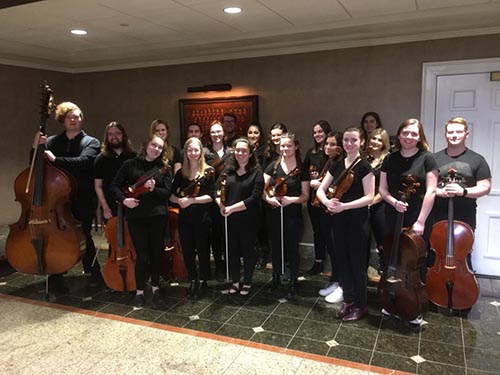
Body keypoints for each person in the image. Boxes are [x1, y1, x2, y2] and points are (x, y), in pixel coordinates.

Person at [32, 101, 101, 291]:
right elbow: (36, 164)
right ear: (63, 120)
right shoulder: (52, 141)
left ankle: (93, 271)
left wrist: (57, 159)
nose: (73, 119)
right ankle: (57, 272)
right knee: (57, 235)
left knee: (84, 234)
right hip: (57, 200)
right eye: (69, 116)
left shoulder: (91, 142)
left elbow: (84, 162)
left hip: (82, 198)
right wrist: (35, 146)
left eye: (77, 116)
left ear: (81, 119)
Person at [379, 118, 438, 326]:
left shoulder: (427, 158)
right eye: (405, 133)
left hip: (417, 215)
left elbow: (431, 191)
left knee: (415, 260)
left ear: (419, 137)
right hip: (393, 213)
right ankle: (391, 299)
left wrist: (420, 221)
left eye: (414, 133)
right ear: (400, 134)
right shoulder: (390, 159)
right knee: (392, 257)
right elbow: (382, 190)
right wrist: (394, 201)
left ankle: (415, 305)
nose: (409, 137)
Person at [316, 127, 374, 322]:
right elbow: (321, 190)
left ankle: (361, 305)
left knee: (357, 265)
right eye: (346, 140)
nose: (349, 144)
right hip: (339, 220)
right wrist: (327, 202)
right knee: (342, 261)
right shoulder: (337, 164)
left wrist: (345, 206)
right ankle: (348, 300)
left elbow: (369, 197)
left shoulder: (365, 166)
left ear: (362, 142)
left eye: (354, 140)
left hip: (358, 221)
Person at [110, 135, 172, 308]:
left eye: (160, 147)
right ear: (146, 145)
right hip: (136, 217)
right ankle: (139, 291)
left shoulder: (163, 168)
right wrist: (125, 201)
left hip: (158, 216)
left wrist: (154, 189)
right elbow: (114, 186)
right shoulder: (130, 165)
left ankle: (156, 288)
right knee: (142, 256)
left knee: (156, 254)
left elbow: (167, 192)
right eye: (154, 145)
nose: (156, 149)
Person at [432, 116, 491, 261]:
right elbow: (428, 185)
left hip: (465, 214)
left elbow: (485, 187)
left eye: (458, 132)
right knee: (435, 253)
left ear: (466, 134)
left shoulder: (477, 159)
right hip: (437, 214)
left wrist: (463, 191)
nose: (454, 135)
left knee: (462, 254)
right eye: (450, 132)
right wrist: (440, 192)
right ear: (445, 134)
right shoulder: (434, 159)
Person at [215, 138, 264, 296]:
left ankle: (247, 281)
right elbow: (216, 190)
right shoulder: (227, 171)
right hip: (230, 219)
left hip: (248, 219)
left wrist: (231, 208)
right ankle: (235, 281)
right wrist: (221, 205)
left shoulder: (257, 172)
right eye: (237, 150)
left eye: (244, 151)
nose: (240, 153)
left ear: (250, 153)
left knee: (248, 252)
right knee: (232, 252)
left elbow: (254, 198)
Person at [263, 132, 309, 298]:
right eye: (282, 145)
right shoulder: (272, 166)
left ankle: (293, 281)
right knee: (276, 247)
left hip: (293, 214)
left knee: (292, 248)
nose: (285, 148)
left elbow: (305, 195)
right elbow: (262, 189)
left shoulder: (301, 168)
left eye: (289, 145)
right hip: (275, 213)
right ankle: (275, 277)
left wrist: (292, 200)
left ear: (295, 146)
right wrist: (269, 199)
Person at [170, 137, 215, 298]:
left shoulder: (208, 171)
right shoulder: (181, 173)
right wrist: (179, 201)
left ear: (201, 152)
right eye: (190, 150)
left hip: (202, 218)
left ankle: (203, 280)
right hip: (185, 219)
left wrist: (191, 201)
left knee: (203, 250)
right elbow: (171, 195)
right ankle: (193, 279)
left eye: (196, 150)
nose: (193, 153)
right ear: (185, 152)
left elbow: (211, 195)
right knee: (188, 251)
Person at [315, 131, 345, 303]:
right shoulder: (328, 160)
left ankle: (341, 284)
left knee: (338, 249)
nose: (328, 147)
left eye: (332, 144)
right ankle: (335, 280)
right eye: (327, 143)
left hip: (336, 210)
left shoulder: (340, 163)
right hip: (324, 208)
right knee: (331, 249)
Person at [303, 120, 332, 275]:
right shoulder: (311, 153)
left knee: (328, 231)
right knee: (317, 231)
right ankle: (318, 262)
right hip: (313, 199)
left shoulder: (332, 153)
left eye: (320, 131)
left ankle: (332, 264)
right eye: (315, 132)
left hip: (328, 198)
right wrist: (310, 181)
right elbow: (304, 173)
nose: (317, 135)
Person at [204, 121, 231, 281]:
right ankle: (219, 265)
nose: (216, 134)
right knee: (215, 234)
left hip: (228, 198)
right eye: (213, 132)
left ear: (223, 133)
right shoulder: (206, 153)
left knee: (228, 234)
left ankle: (229, 263)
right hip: (211, 199)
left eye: (219, 131)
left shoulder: (231, 152)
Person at [94, 121, 136, 221]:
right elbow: (98, 185)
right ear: (107, 137)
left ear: (123, 135)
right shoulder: (101, 159)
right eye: (110, 134)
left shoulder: (133, 156)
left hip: (131, 203)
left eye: (117, 133)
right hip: (110, 205)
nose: (114, 136)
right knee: (113, 235)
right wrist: (104, 206)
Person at [364, 128, 391, 281]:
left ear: (384, 143)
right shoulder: (364, 159)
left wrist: (370, 202)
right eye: (373, 139)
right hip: (364, 206)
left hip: (380, 207)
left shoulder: (387, 159)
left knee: (382, 242)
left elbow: (385, 189)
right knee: (363, 241)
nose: (375, 142)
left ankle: (385, 274)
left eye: (379, 140)